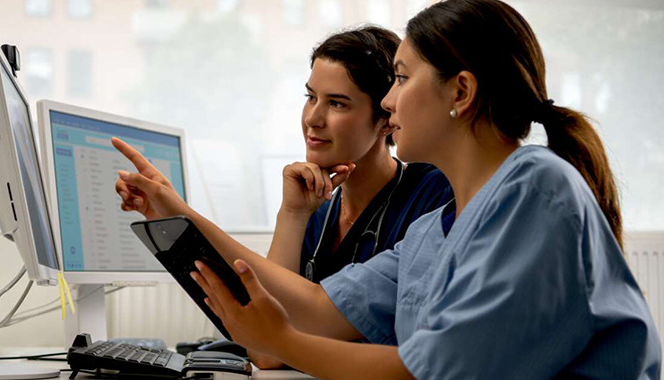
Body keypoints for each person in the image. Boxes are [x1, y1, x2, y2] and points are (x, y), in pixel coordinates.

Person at [115, 1, 661, 378]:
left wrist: (281, 340)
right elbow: (316, 307)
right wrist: (177, 211)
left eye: (400, 78)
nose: (390, 102)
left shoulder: (536, 191)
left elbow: (433, 372)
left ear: (461, 91)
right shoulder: (433, 230)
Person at [113, 26, 452, 368]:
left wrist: (183, 214)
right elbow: (264, 351)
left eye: (336, 103)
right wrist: (292, 215)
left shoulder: (433, 195)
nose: (313, 119)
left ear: (385, 119)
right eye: (311, 97)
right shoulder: (317, 210)